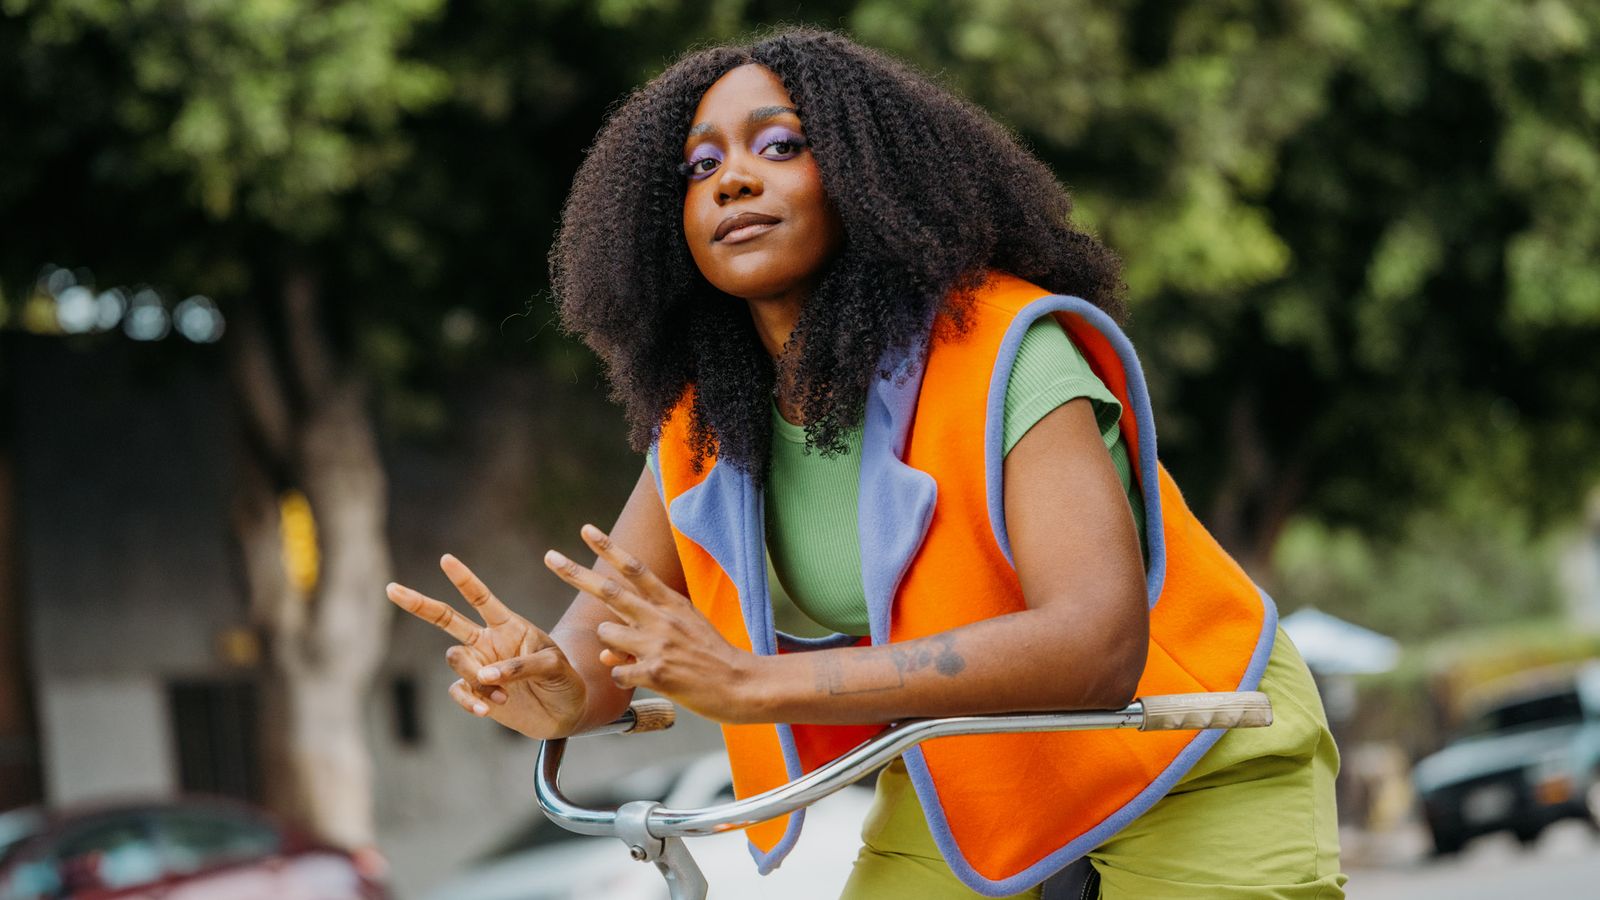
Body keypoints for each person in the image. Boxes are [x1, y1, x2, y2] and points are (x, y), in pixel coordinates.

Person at [387, 27, 1346, 899]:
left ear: (868, 176)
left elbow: (1097, 647)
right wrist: (550, 693)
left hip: (1194, 747)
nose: (731, 180)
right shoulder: (702, 429)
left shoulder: (1007, 347)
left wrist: (758, 686)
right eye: (700, 165)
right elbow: (601, 671)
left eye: (780, 145)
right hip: (983, 775)